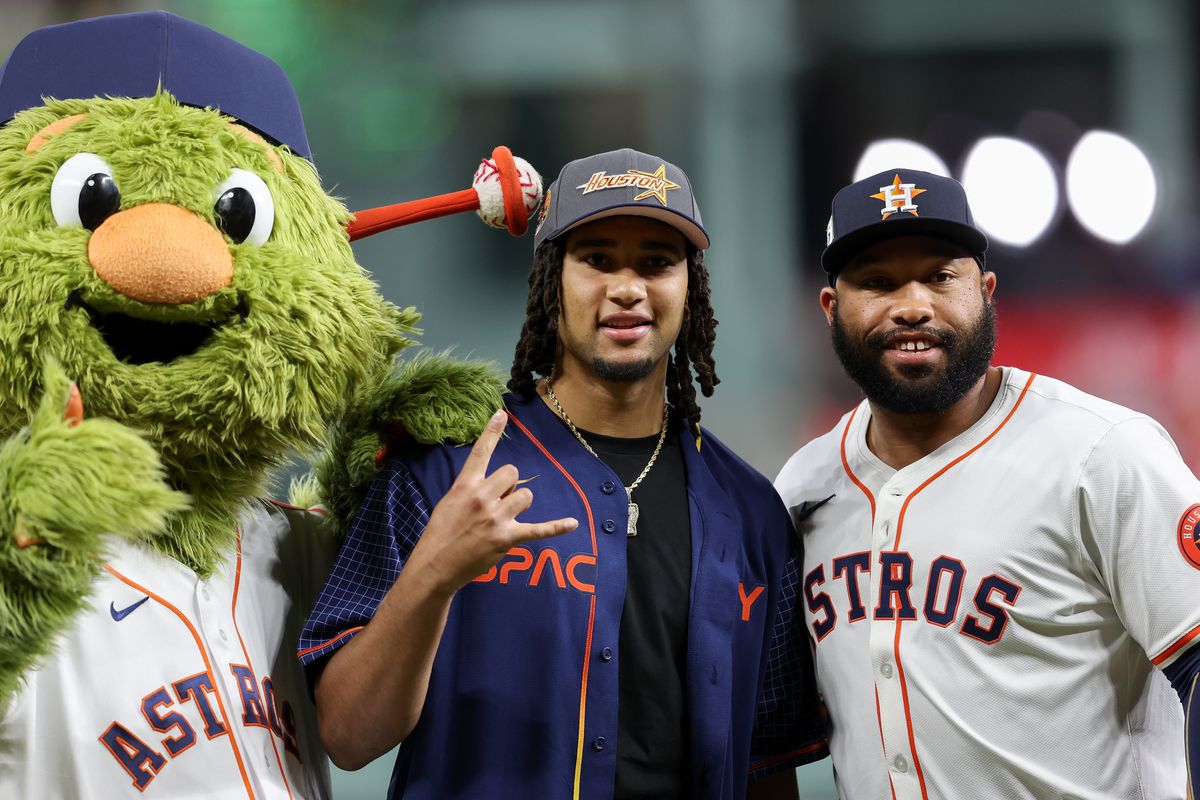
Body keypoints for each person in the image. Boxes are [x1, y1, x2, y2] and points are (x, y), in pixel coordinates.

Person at [297, 148, 828, 799]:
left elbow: (768, 767)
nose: (627, 287)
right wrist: (436, 569)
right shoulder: (443, 468)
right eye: (597, 259)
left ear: (689, 287)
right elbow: (349, 736)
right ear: (553, 281)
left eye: (657, 262)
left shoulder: (749, 512)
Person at [775, 167, 1200, 799]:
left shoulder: (1102, 454)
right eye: (877, 282)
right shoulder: (805, 483)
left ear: (987, 291)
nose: (913, 304)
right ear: (832, 309)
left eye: (941, 276)